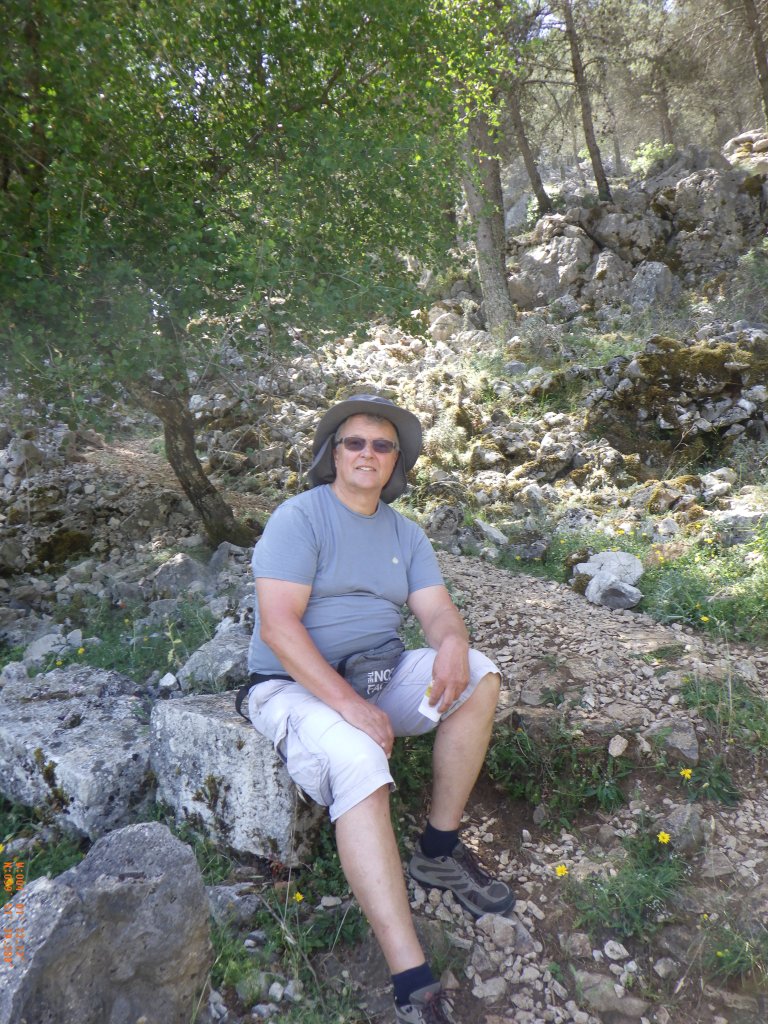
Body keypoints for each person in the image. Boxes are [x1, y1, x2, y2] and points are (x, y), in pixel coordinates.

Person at [244, 393, 513, 1024]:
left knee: (479, 675)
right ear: (333, 454)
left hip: (379, 671)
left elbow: (437, 609)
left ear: (396, 462)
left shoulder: (405, 532)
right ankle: (410, 977)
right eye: (355, 442)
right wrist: (351, 708)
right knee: (360, 756)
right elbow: (279, 627)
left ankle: (438, 852)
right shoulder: (300, 517)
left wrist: (453, 643)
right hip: (290, 684)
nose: (368, 453)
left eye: (382, 445)